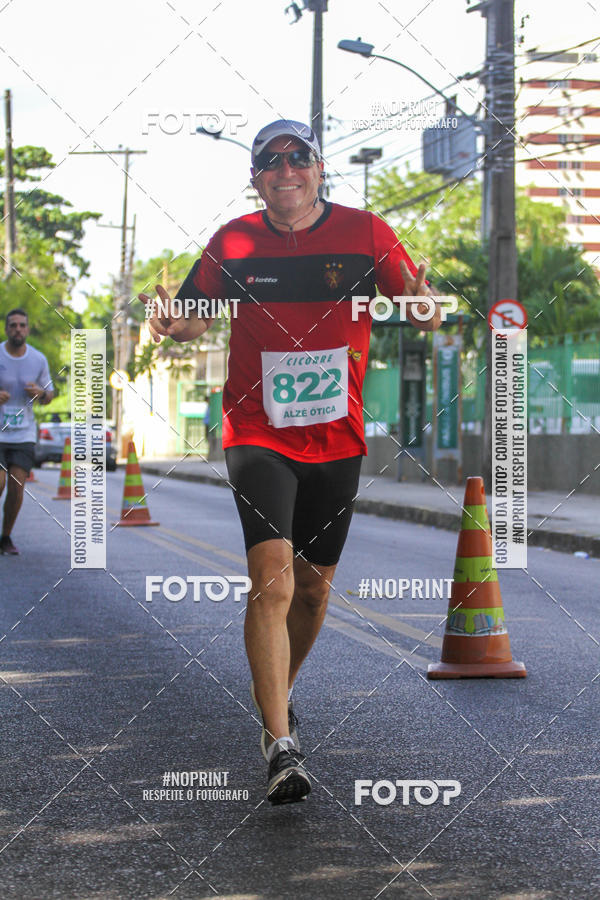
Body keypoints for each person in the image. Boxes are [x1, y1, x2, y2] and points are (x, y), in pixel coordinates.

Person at [139, 119, 442, 805]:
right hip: (257, 431)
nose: (285, 171)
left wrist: (426, 305)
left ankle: (281, 692)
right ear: (255, 178)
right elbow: (194, 318)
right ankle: (280, 743)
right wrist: (170, 322)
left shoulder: (368, 233)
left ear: (318, 167)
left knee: (312, 590)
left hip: (338, 439)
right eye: (270, 162)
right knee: (271, 586)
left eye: (297, 158)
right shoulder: (233, 243)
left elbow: (420, 308)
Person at [0, 309, 55, 555]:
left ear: (28, 329)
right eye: (13, 325)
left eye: (22, 325)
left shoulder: (38, 359)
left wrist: (41, 394)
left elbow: (49, 395)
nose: (18, 329)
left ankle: (6, 537)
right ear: (6, 329)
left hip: (23, 434)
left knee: (16, 487)